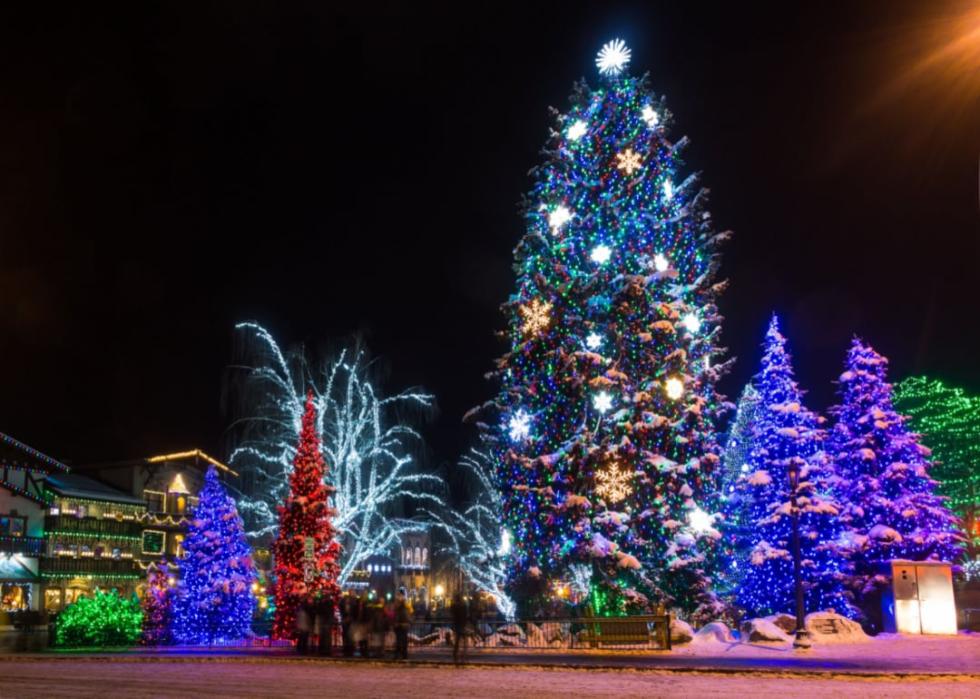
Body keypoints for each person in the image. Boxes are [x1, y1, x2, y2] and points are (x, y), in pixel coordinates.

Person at [393, 587, 412, 660]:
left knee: (402, 640)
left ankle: (402, 654)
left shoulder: (405, 605)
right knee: (400, 640)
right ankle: (401, 654)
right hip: (401, 624)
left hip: (403, 624)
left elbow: (408, 614)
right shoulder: (401, 605)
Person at [450, 592, 469, 664]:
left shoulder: (454, 605)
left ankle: (456, 653)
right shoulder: (464, 605)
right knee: (463, 638)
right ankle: (463, 653)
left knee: (457, 640)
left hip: (456, 623)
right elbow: (466, 614)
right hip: (462, 623)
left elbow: (452, 613)